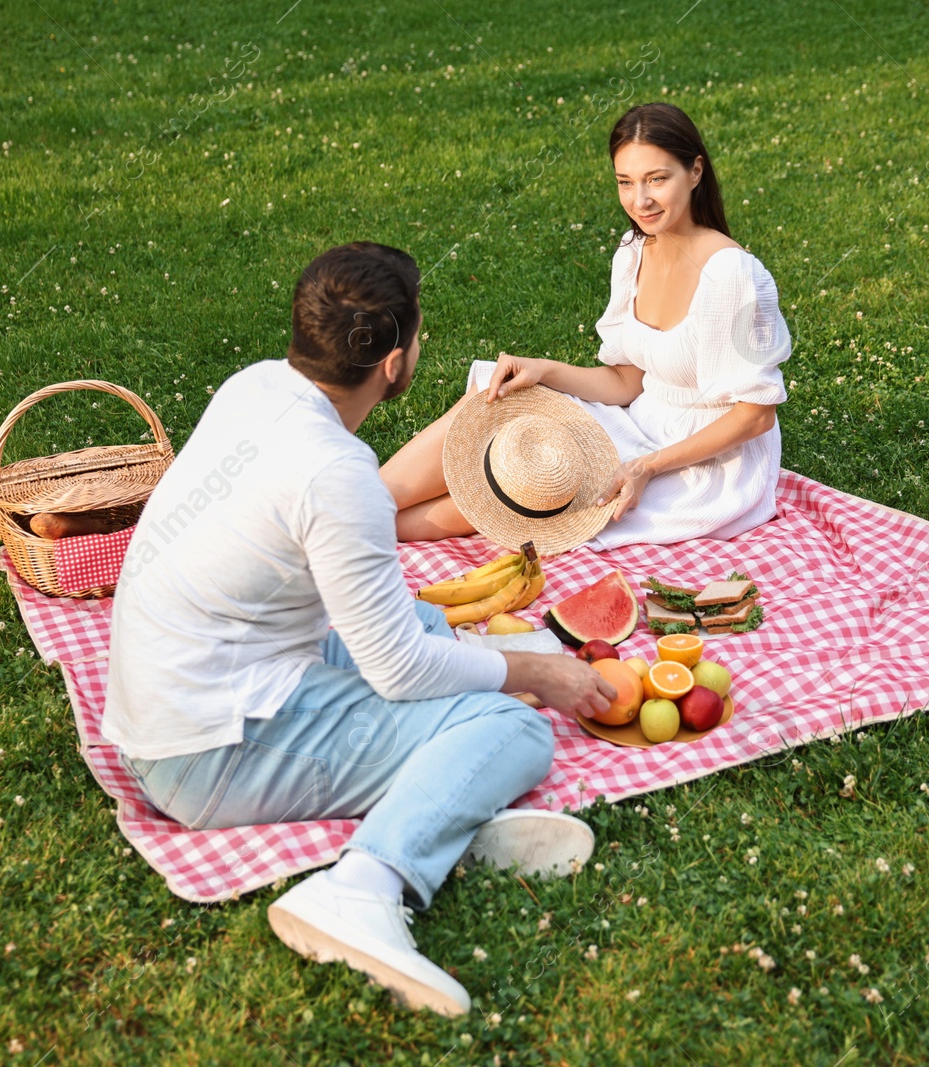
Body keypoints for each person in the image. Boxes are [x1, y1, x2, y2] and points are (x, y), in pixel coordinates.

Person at [101, 242, 618, 1017]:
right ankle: (365, 886)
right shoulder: (337, 475)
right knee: (516, 728)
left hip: (181, 688)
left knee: (431, 622)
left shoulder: (255, 386)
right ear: (395, 363)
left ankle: (445, 802)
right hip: (205, 753)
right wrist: (536, 676)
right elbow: (398, 673)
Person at [381, 102, 792, 550]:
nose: (640, 200)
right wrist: (544, 370)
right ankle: (351, 504)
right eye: (626, 182)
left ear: (695, 172)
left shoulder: (732, 275)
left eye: (657, 178)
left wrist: (648, 467)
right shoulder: (635, 252)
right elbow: (626, 382)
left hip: (707, 462)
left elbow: (755, 416)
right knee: (494, 407)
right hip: (641, 420)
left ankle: (349, 527)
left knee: (519, 487)